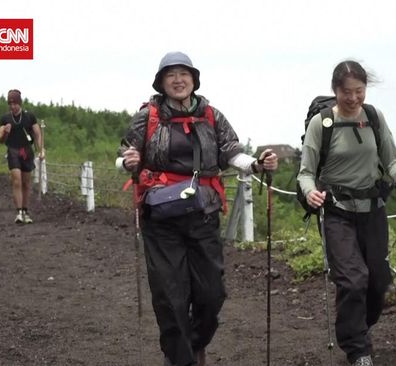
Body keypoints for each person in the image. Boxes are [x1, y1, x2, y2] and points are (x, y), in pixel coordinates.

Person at [117, 51, 278, 366]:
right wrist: (128, 161)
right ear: (161, 82)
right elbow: (125, 152)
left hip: (202, 215)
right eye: (171, 75)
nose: (178, 80)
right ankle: (181, 358)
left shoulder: (211, 115)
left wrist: (256, 165)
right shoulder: (147, 116)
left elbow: (231, 151)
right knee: (170, 295)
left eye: (184, 74)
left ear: (194, 79)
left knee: (211, 294)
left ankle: (191, 345)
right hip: (161, 219)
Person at [297, 60, 396, 366]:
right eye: (346, 92)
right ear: (335, 90)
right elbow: (306, 172)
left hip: (372, 210)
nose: (353, 98)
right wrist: (310, 191)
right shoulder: (321, 124)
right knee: (352, 280)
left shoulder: (374, 117)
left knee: (378, 281)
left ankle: (359, 328)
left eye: (359, 91)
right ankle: (358, 350)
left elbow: (392, 158)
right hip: (336, 212)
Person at [0, 89, 45, 224]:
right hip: (13, 150)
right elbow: (0, 139)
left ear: (20, 103)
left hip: (26, 151)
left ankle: (25, 210)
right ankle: (18, 212)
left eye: (15, 103)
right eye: (10, 104)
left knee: (26, 182)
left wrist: (41, 149)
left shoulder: (29, 117)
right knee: (16, 180)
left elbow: (37, 134)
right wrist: (5, 132)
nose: (12, 106)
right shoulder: (5, 118)